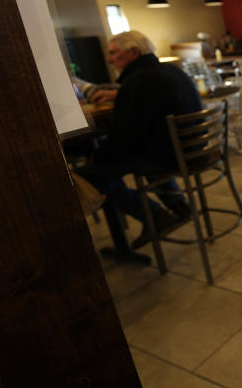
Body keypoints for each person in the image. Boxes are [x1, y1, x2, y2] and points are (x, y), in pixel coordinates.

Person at [77, 31, 201, 248]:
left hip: (169, 157)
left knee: (89, 174)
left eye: (114, 53)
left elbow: (124, 138)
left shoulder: (138, 81)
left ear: (133, 52)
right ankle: (178, 205)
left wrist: (98, 156)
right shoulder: (169, 70)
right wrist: (120, 94)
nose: (109, 59)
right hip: (194, 149)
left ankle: (154, 216)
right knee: (132, 154)